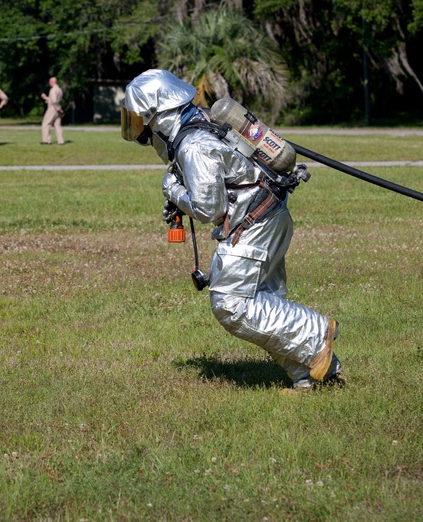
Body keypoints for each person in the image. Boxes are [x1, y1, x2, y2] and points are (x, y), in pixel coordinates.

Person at [121, 68, 343, 391]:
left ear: (158, 114)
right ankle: (311, 377)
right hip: (269, 214)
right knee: (264, 303)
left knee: (231, 303)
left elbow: (210, 208)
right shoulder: (196, 122)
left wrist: (174, 191)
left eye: (139, 120)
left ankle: (316, 332)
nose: (139, 131)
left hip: (254, 222)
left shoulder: (193, 144)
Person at [40, 76, 65, 145]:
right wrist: (46, 98)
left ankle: (46, 140)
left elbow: (53, 101)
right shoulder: (59, 90)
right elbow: (56, 100)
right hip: (58, 107)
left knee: (46, 124)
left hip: (53, 108)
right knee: (57, 125)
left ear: (52, 82)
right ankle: (61, 141)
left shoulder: (53, 90)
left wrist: (58, 108)